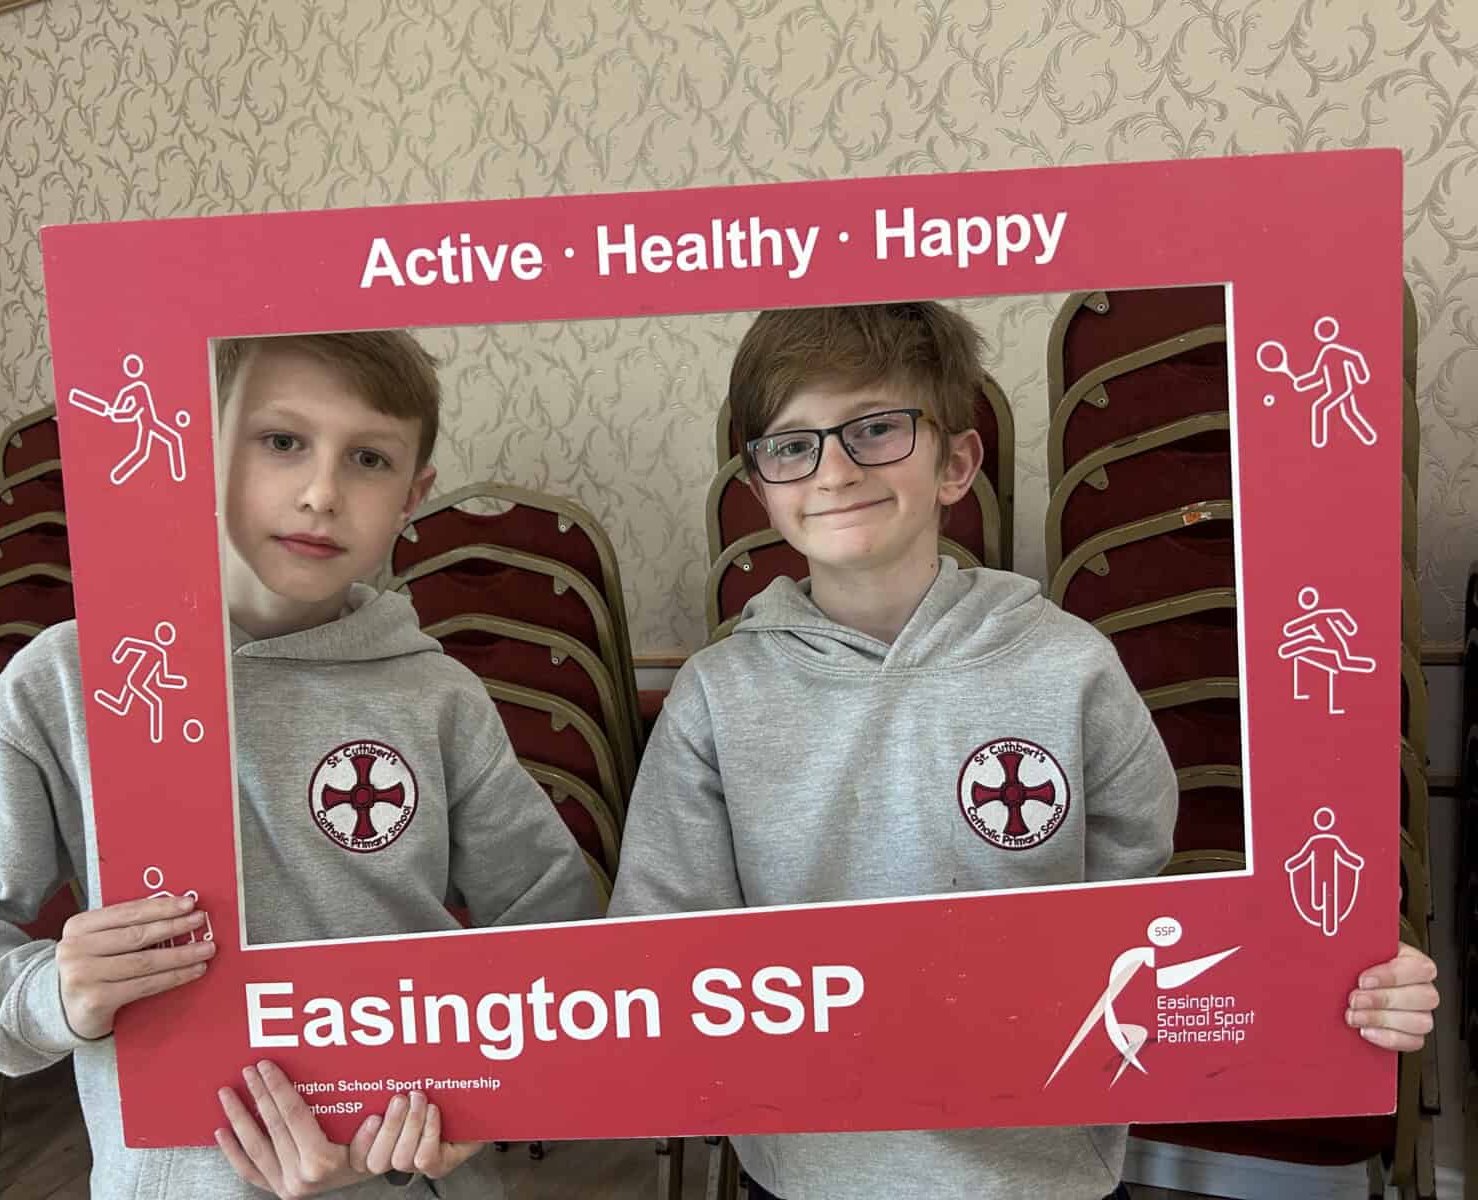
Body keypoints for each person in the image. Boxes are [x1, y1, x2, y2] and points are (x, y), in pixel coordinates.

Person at [607, 302, 1438, 1200]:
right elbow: (660, 952)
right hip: (808, 1175)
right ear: (760, 486)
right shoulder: (715, 696)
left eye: (876, 428)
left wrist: (1340, 981)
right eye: (792, 445)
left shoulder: (1070, 667)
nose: (835, 470)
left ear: (956, 464)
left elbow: (1150, 919)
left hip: (1046, 1172)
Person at [0, 330, 601, 1198]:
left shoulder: (439, 696)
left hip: (407, 1173)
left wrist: (480, 1101)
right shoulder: (72, 680)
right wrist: (50, 993)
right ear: (199, 451)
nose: (322, 492)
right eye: (282, 440)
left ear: (413, 495)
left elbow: (559, 934)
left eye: (368, 458)